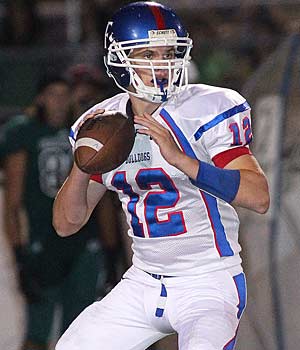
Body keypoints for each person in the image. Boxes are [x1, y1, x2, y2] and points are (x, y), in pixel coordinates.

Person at [53, 2, 270, 350]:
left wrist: (182, 160)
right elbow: (67, 224)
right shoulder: (102, 123)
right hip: (141, 283)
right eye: (148, 54)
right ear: (119, 61)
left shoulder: (206, 109)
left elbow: (258, 197)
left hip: (208, 283)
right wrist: (83, 165)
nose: (163, 65)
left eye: (169, 52)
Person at [1, 69, 120, 350]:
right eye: (53, 95)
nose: (59, 102)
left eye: (64, 95)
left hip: (83, 240)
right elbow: (12, 203)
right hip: (44, 239)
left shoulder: (84, 131)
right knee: (37, 332)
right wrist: (18, 255)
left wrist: (111, 249)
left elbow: (99, 194)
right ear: (41, 98)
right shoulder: (23, 132)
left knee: (80, 332)